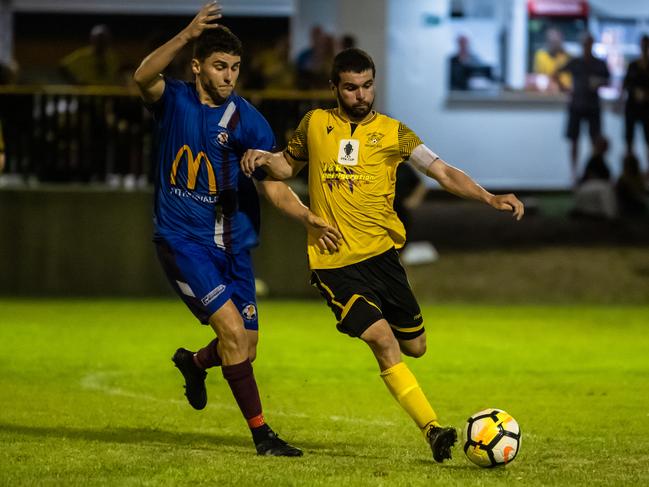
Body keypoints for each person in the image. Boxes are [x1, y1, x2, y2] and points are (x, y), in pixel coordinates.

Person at [240, 48, 525, 463]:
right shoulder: (315, 124)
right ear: (335, 87)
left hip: (383, 258)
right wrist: (261, 159)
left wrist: (487, 196)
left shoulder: (394, 133)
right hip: (334, 261)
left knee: (417, 347)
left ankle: (416, 393)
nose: (361, 95)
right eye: (352, 87)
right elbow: (286, 167)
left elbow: (441, 170)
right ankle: (432, 429)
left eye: (368, 86)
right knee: (381, 338)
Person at [133, 2, 341, 457]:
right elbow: (142, 76)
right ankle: (262, 435)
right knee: (230, 330)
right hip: (182, 240)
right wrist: (188, 33)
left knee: (244, 346)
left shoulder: (248, 118)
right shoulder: (174, 99)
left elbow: (275, 185)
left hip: (233, 246)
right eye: (220, 66)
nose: (229, 76)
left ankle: (193, 362)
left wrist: (304, 214)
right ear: (198, 66)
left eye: (235, 67)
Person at [555, 33, 610, 182]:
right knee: (574, 140)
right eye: (585, 44)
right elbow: (556, 73)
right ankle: (574, 173)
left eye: (589, 44)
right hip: (576, 105)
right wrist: (565, 89)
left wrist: (598, 83)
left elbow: (608, 81)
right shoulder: (576, 62)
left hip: (592, 106)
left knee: (595, 140)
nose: (587, 47)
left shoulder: (599, 63)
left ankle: (593, 171)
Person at [622, 35, 649, 175]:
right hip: (632, 108)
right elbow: (626, 84)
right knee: (629, 140)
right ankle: (630, 171)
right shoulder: (633, 65)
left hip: (646, 109)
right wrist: (635, 92)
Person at [533, 28, 571, 92]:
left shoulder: (567, 57)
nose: (553, 44)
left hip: (564, 92)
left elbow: (568, 82)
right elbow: (539, 77)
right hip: (545, 93)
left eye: (555, 41)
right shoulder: (540, 56)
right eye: (551, 41)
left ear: (561, 40)